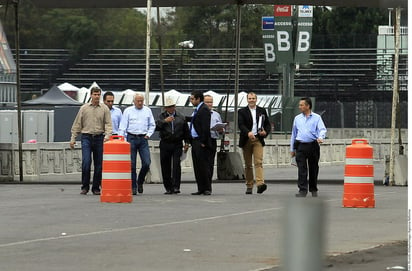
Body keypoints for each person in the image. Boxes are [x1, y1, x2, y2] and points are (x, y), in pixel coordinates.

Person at [70, 87, 112, 195]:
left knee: (99, 164)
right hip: (86, 137)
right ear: (91, 95)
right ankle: (85, 186)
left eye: (98, 95)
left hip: (99, 137)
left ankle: (96, 187)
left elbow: (108, 124)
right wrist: (73, 138)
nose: (97, 97)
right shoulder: (84, 108)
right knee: (86, 162)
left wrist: (108, 136)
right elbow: (77, 124)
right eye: (95, 94)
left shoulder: (104, 108)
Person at [118, 93, 155, 195]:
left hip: (143, 138)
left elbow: (152, 124)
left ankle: (140, 181)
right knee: (132, 164)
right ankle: (133, 186)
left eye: (141, 101)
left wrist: (148, 134)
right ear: (133, 101)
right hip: (131, 138)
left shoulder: (147, 110)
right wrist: (122, 139)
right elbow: (123, 126)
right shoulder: (128, 111)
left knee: (147, 162)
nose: (140, 103)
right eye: (138, 101)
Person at [290, 97, 327, 197]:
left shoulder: (317, 118)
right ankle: (302, 190)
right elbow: (294, 133)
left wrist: (321, 137)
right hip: (300, 145)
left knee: (313, 168)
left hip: (313, 145)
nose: (299, 107)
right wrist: (292, 149)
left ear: (308, 106)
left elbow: (322, 129)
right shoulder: (297, 118)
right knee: (301, 168)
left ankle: (313, 189)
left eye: (302, 105)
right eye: (300, 105)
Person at [238, 92, 271, 194]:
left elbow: (267, 124)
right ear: (247, 100)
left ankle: (260, 184)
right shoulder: (242, 111)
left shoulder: (262, 110)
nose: (251, 100)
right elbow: (241, 125)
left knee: (258, 162)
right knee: (248, 164)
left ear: (256, 99)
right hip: (246, 139)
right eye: (249, 98)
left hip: (258, 139)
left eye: (253, 98)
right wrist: (248, 133)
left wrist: (265, 132)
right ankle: (249, 185)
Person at [156, 97, 190, 194]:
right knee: (165, 165)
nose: (170, 109)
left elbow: (186, 131)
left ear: (175, 107)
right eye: (168, 107)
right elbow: (155, 127)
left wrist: (187, 142)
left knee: (176, 165)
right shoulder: (161, 116)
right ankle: (168, 187)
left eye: (172, 107)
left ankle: (176, 186)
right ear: (165, 108)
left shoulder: (181, 117)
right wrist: (164, 121)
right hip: (165, 142)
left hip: (177, 143)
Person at [189, 90, 213, 195]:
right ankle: (200, 187)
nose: (191, 101)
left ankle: (207, 187)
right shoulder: (197, 110)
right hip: (194, 140)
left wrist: (203, 141)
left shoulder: (204, 110)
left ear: (198, 99)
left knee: (203, 165)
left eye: (192, 99)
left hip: (200, 141)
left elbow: (205, 127)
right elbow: (195, 121)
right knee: (197, 166)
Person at [203, 94, 224, 185]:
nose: (209, 104)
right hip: (202, 140)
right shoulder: (197, 113)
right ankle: (202, 183)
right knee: (202, 163)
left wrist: (220, 130)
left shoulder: (216, 115)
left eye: (210, 102)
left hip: (212, 140)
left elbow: (221, 131)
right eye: (207, 102)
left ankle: (208, 182)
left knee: (210, 162)